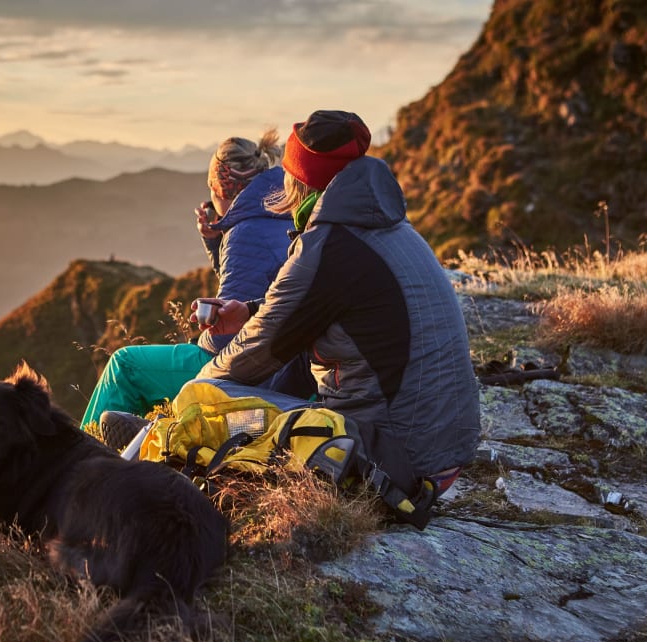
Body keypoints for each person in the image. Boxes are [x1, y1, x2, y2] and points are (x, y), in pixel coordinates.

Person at [197, 109, 479, 490]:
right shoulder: (390, 228)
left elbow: (251, 355)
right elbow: (324, 307)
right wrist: (248, 311)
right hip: (441, 452)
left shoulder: (328, 247)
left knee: (215, 399)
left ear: (299, 180)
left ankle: (159, 437)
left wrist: (188, 398)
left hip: (393, 462)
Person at [80, 129, 293, 432]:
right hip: (287, 363)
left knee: (124, 365)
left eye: (211, 189)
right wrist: (215, 240)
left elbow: (224, 339)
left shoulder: (245, 232)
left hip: (256, 371)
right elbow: (253, 286)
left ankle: (88, 456)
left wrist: (202, 336)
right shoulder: (283, 210)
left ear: (222, 189)